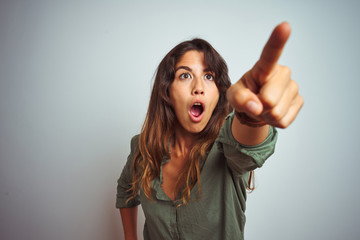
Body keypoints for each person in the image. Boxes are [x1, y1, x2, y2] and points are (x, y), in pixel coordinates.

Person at [116, 22, 303, 240]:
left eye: (209, 76)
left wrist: (252, 116)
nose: (199, 87)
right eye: (185, 75)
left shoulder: (226, 148)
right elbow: (125, 190)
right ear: (167, 91)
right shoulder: (142, 147)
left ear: (219, 93)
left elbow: (246, 147)